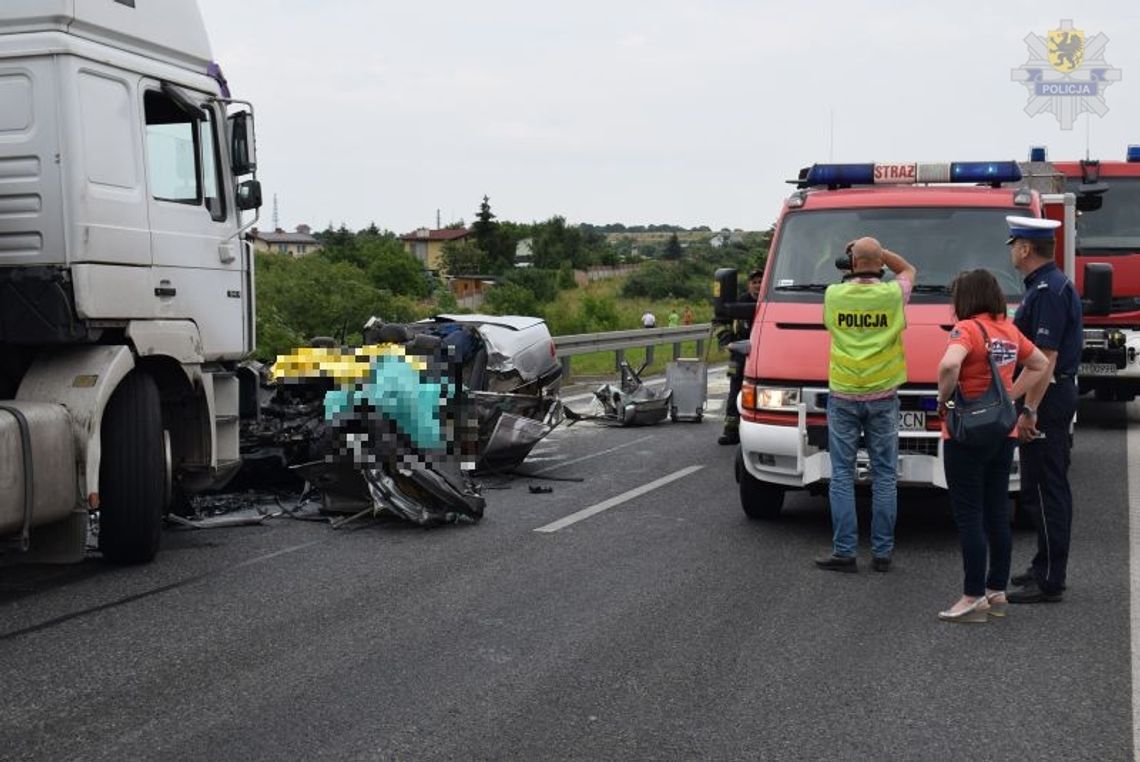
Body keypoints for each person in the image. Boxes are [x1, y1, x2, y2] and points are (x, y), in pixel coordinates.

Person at [935, 269, 1049, 622]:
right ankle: (996, 590)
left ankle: (971, 597)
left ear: (965, 298)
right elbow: (1040, 363)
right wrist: (1008, 398)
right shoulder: (1009, 330)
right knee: (997, 512)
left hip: (966, 433)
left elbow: (949, 364)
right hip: (1003, 431)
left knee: (969, 515)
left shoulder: (967, 328)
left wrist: (945, 400)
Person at [816, 238, 916, 573]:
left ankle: (845, 552)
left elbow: (829, 326)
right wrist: (879, 250)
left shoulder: (834, 295)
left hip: (843, 393)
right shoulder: (892, 295)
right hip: (883, 395)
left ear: (852, 262)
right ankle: (882, 553)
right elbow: (908, 269)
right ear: (879, 264)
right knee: (885, 475)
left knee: (842, 475)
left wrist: (860, 251)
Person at [1006, 215, 1083, 604]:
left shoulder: (1048, 291)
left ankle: (1051, 578)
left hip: (1047, 396)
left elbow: (1046, 357)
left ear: (1025, 248)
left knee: (1046, 488)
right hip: (1048, 393)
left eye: (1013, 245)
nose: (1011, 252)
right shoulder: (1046, 285)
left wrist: (1029, 409)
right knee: (1038, 485)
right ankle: (1043, 565)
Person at [718, 268, 763, 445]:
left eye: (761, 282)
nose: (758, 286)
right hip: (739, 356)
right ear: (749, 285)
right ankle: (731, 431)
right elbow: (721, 322)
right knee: (735, 391)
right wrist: (728, 341)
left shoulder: (770, 301)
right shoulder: (739, 302)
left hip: (764, 355)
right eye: (754, 282)